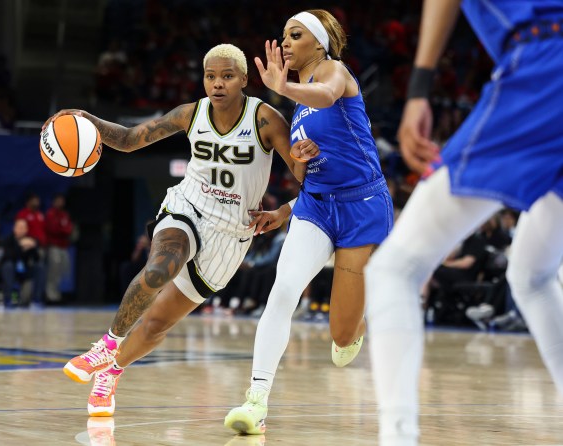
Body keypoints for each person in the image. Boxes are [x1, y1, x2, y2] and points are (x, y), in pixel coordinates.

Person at [43, 44, 319, 416]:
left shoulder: (265, 120)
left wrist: (285, 211)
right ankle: (106, 345)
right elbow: (127, 140)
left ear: (243, 80)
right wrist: (85, 119)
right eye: (210, 76)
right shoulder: (192, 113)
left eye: (226, 76)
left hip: (230, 236)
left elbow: (311, 182)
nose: (217, 84)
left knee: (156, 325)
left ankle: (112, 370)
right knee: (160, 267)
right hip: (187, 206)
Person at [364, 1, 563, 444]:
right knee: (532, 275)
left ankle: (398, 437)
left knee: (393, 269)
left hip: (547, 67)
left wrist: (419, 88)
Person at [225, 9, 393, 435]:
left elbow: (329, 94)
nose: (285, 42)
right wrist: (289, 197)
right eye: (282, 35)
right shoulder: (297, 108)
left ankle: (360, 316)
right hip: (316, 207)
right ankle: (256, 399)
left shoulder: (334, 73)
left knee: (340, 340)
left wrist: (284, 87)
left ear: (318, 43)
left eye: (294, 35)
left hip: (362, 206)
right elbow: (306, 175)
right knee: (283, 290)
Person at [0, 219, 45, 307]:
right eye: (19, 227)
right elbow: (6, 256)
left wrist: (33, 246)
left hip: (25, 270)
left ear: (26, 230)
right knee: (7, 266)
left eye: (23, 227)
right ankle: (7, 299)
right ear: (14, 229)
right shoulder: (7, 240)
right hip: (11, 270)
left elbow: (37, 258)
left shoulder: (30, 240)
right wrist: (20, 247)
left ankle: (36, 300)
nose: (21, 229)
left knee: (40, 267)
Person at [45, 193, 73, 303]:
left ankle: (57, 295)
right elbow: (53, 229)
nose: (61, 202)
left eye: (62, 200)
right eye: (59, 200)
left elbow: (69, 229)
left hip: (63, 247)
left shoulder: (65, 214)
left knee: (62, 272)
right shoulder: (51, 214)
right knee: (53, 272)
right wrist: (63, 229)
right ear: (54, 201)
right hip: (54, 246)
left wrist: (62, 229)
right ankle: (51, 296)